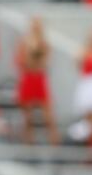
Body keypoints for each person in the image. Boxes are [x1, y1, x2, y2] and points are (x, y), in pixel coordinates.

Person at [16, 16, 60, 144]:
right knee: (28, 116)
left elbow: (44, 62)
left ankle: (54, 142)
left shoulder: (43, 43)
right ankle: (28, 142)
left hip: (38, 77)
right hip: (29, 77)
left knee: (48, 114)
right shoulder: (25, 42)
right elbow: (25, 61)